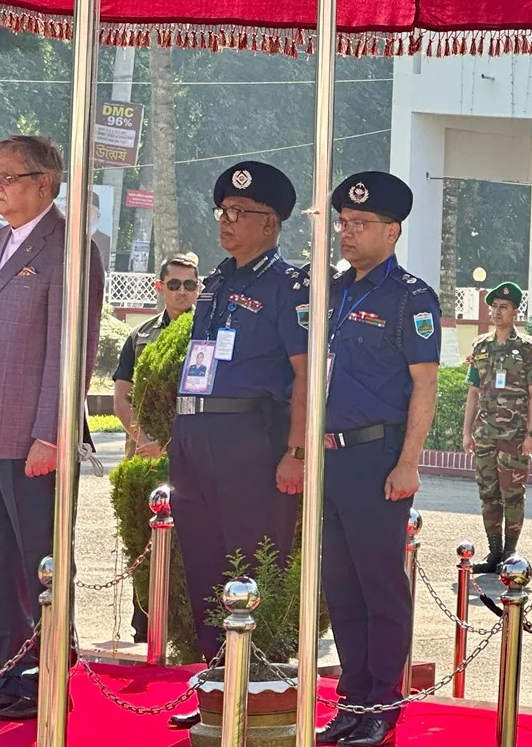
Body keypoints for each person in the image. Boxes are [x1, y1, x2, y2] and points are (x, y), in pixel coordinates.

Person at [0, 135, 104, 721]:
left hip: (31, 436)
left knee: (42, 558)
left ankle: (48, 674)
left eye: (9, 177)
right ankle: (6, 670)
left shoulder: (69, 248)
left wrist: (51, 433)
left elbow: (71, 353)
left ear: (46, 182)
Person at [168, 161, 308, 729]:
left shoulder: (289, 285)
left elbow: (305, 374)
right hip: (195, 435)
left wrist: (295, 451)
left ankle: (263, 687)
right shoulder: (217, 281)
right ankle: (217, 684)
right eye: (222, 211)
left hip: (252, 437)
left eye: (240, 213)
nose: (226, 222)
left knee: (251, 561)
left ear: (271, 222)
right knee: (202, 560)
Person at [315, 171, 441, 747]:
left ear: (391, 231)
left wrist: (409, 460)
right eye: (343, 221)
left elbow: (424, 386)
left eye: (360, 223)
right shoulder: (332, 291)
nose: (347, 231)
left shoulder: (412, 298)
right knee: (340, 585)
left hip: (377, 456)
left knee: (378, 584)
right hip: (328, 458)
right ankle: (353, 698)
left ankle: (384, 701)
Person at [111, 253, 199, 642]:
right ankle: (145, 626)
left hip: (196, 457)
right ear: (159, 287)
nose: (183, 292)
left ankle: (191, 631)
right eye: (175, 284)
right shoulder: (141, 336)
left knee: (194, 546)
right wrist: (143, 438)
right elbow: (121, 395)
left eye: (190, 285)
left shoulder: (209, 334)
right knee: (146, 542)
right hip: (147, 458)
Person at [462, 282, 532, 574]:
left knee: (513, 494)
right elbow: (473, 391)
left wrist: (531, 434)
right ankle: (494, 551)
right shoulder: (480, 346)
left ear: (515, 311)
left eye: (503, 307)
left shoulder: (526, 347)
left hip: (514, 436)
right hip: (485, 435)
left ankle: (511, 552)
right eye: (494, 306)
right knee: (488, 493)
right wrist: (467, 431)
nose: (497, 312)